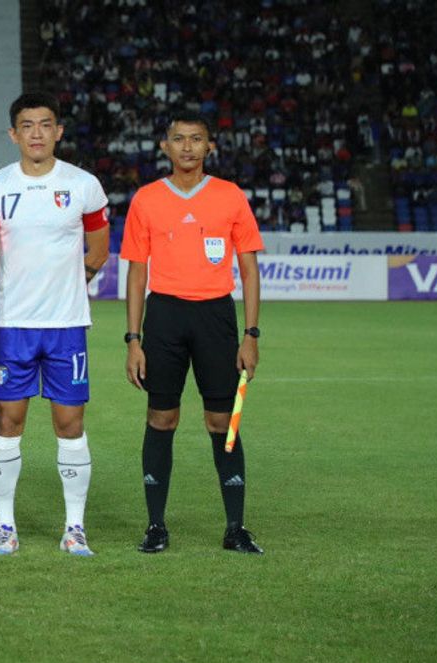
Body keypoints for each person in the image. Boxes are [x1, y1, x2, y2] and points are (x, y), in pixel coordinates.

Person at [120, 111, 264, 555]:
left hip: (216, 319)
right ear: (164, 147)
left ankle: (235, 527)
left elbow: (249, 268)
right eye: (178, 139)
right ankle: (156, 526)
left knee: (223, 421)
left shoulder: (230, 196)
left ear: (209, 147)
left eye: (196, 139)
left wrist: (251, 334)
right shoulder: (147, 199)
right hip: (163, 318)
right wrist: (133, 340)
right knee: (162, 417)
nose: (186, 147)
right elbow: (137, 273)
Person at [0, 92, 111, 556]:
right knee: (8, 419)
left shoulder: (84, 185)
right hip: (13, 325)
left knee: (69, 423)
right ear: (14, 134)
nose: (37, 133)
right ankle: (5, 527)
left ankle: (74, 528)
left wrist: (72, 283)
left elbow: (97, 249)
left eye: (45, 124)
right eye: (27, 125)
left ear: (58, 131)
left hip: (66, 325)